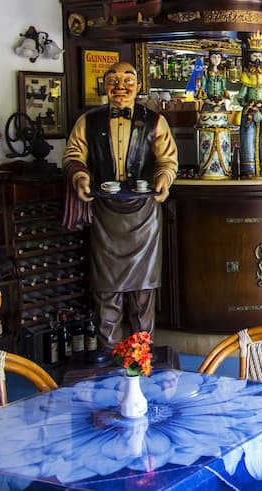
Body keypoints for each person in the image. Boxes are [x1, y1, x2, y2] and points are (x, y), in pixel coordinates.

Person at [63, 61, 178, 362]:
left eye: (128, 80)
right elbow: (73, 155)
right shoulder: (88, 121)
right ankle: (109, 352)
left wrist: (164, 180)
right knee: (106, 288)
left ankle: (142, 353)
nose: (120, 87)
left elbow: (167, 161)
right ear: (105, 86)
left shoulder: (155, 121)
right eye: (113, 80)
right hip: (106, 213)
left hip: (144, 214)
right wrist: (81, 178)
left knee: (143, 290)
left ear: (138, 86)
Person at [238, 39, 262, 178]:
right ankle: (249, 168)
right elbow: (241, 97)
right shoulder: (246, 76)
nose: (257, 59)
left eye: (259, 56)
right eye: (254, 56)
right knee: (248, 137)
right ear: (249, 57)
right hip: (250, 110)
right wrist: (249, 105)